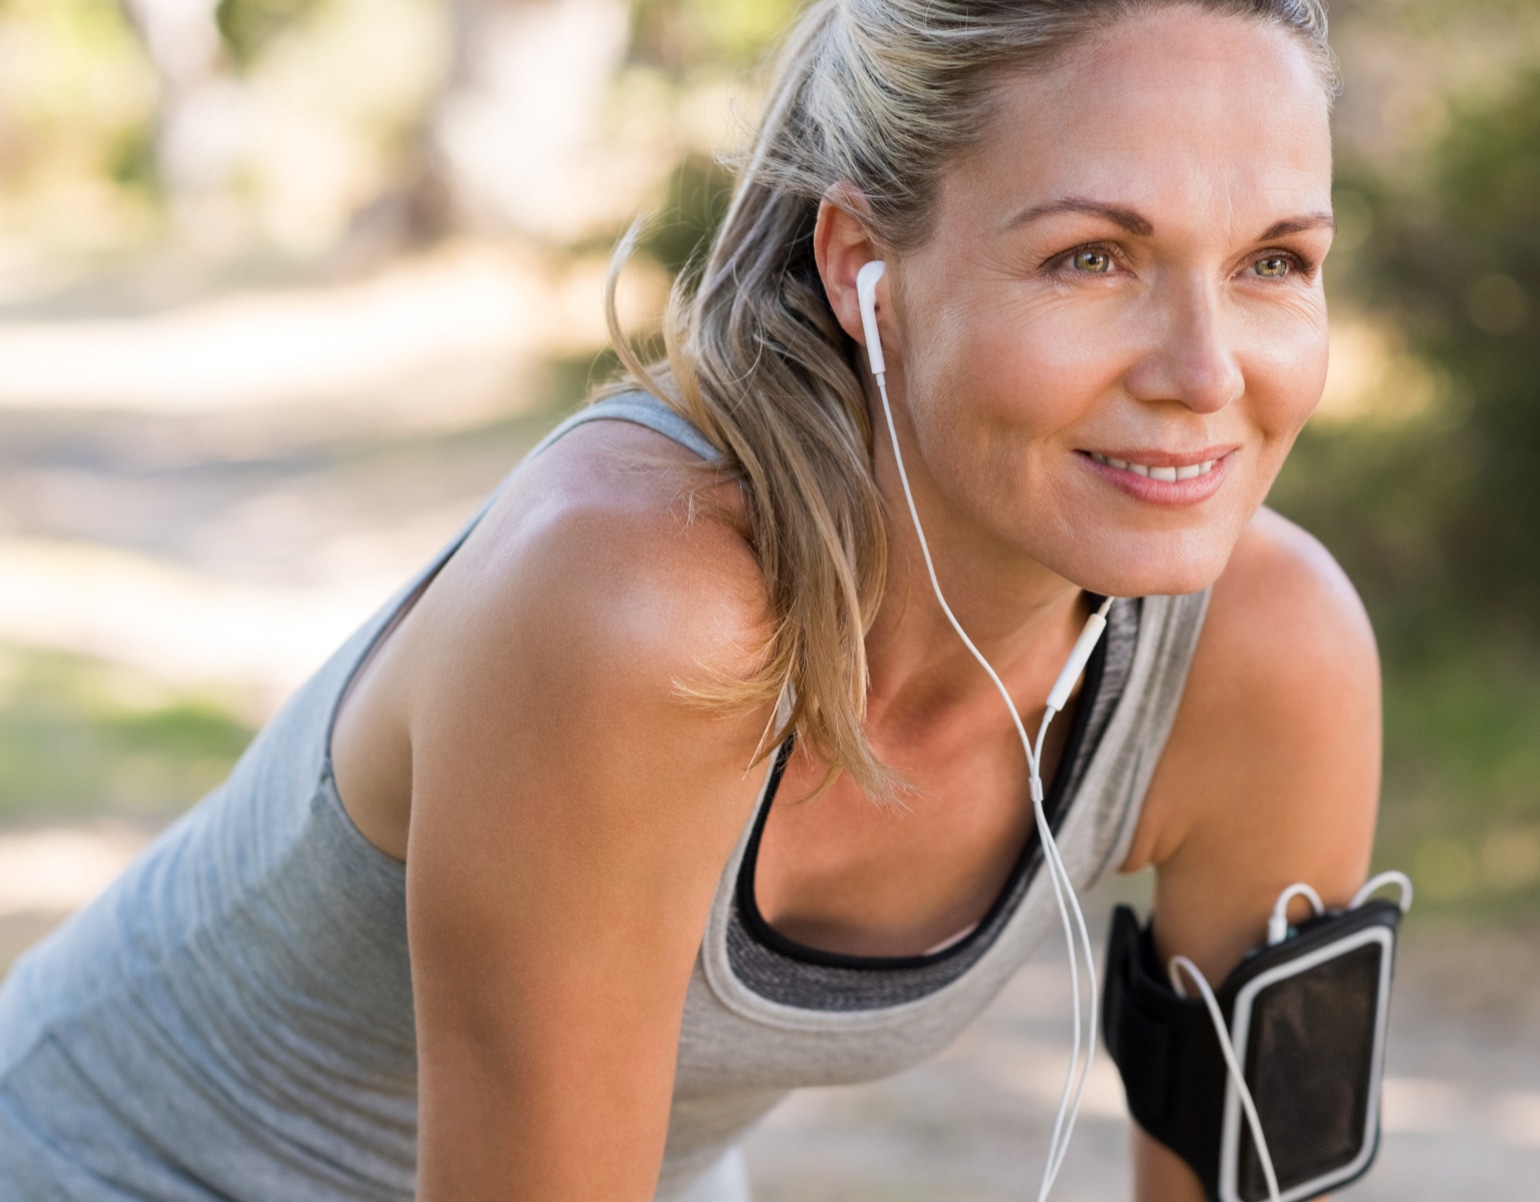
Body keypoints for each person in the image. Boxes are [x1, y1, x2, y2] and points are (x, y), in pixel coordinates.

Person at [0, 1, 1381, 1199]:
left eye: (1275, 262)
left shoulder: (1270, 655)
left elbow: (1266, 1183)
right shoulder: (641, 606)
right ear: (861, 266)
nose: (1207, 373)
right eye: (1095, 256)